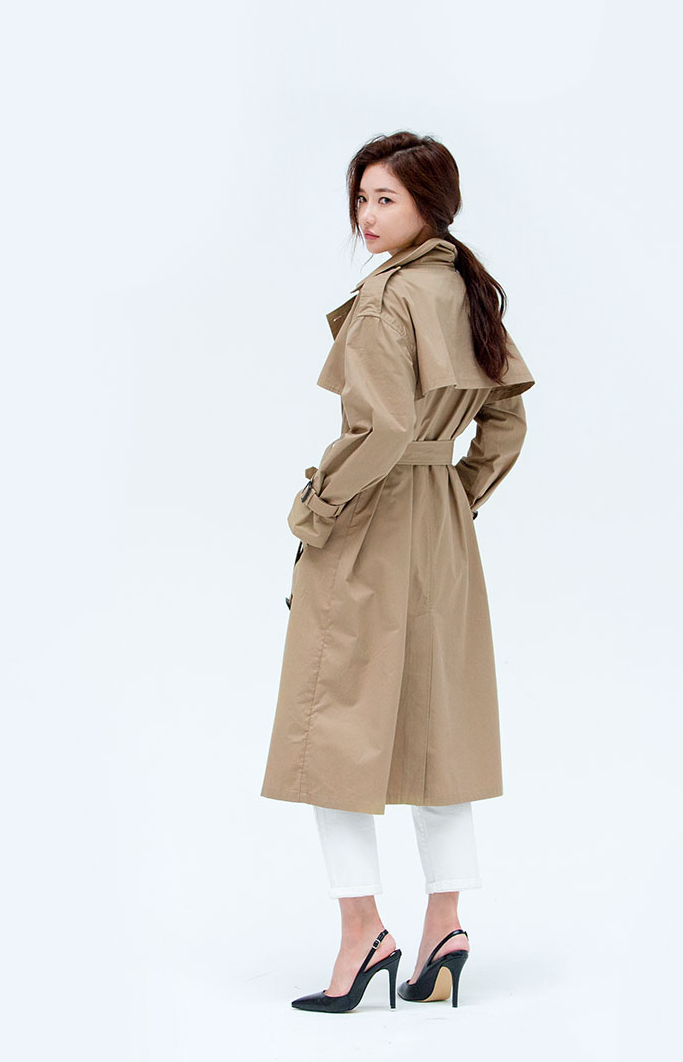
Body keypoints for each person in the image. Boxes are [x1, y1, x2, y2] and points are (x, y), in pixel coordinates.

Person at [260, 130, 535, 1012]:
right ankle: (445, 931)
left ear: (429, 206)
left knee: (329, 727)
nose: (366, 216)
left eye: (385, 199)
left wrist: (316, 510)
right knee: (437, 728)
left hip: (374, 523)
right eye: (361, 197)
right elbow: (505, 420)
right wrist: (456, 492)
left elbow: (377, 433)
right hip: (441, 529)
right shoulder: (466, 288)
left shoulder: (387, 300)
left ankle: (362, 933)